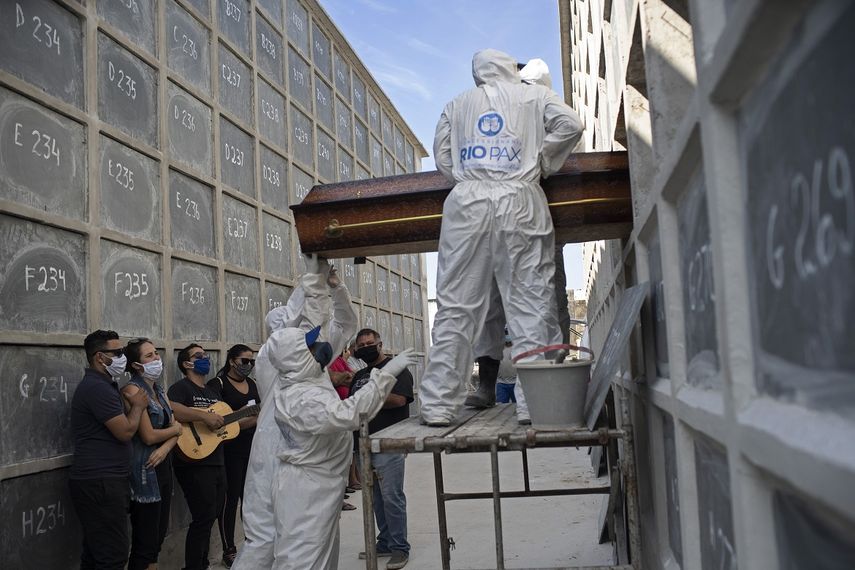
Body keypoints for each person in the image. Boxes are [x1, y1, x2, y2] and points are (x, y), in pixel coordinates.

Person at [419, 49, 583, 426]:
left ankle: (438, 406)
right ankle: (534, 405)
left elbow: (443, 157)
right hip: (520, 198)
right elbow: (571, 125)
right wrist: (540, 160)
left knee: (457, 305)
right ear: (512, 68)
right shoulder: (535, 95)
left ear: (477, 73)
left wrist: (468, 176)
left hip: (467, 203)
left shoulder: (456, 104)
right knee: (530, 303)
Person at [233, 254, 358, 568]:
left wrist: (335, 286)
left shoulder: (310, 357)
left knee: (314, 533)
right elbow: (302, 320)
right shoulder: (274, 356)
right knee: (266, 537)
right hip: (276, 451)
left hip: (301, 451)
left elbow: (346, 324)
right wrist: (313, 274)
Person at [69, 330, 148, 569]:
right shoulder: (97, 388)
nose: (123, 357)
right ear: (100, 357)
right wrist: (138, 407)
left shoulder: (105, 385)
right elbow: (124, 432)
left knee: (97, 554)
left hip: (103, 481)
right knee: (112, 556)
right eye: (118, 352)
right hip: (101, 482)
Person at [350, 329, 414, 570]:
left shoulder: (397, 369)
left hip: (388, 443)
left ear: (380, 344)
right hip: (363, 445)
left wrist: (369, 396)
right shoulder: (360, 374)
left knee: (392, 497)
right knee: (375, 498)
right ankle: (385, 542)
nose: (365, 347)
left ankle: (400, 547)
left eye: (370, 343)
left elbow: (399, 399)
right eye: (361, 345)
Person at [122, 338, 182, 570]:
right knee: (144, 543)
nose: (156, 358)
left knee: (156, 539)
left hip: (163, 466)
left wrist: (166, 447)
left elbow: (178, 429)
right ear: (136, 365)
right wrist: (174, 432)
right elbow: (148, 436)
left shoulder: (159, 389)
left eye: (156, 354)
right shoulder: (132, 391)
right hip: (145, 472)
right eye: (149, 356)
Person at [168, 344, 226, 570]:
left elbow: (223, 424)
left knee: (211, 516)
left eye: (205, 355)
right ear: (187, 364)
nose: (205, 359)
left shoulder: (212, 393)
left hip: (216, 460)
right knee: (203, 517)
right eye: (198, 356)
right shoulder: (180, 388)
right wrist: (203, 416)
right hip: (193, 461)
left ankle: (201, 563)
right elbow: (171, 408)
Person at [209, 344, 261, 568]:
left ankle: (252, 545)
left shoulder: (252, 384)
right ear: (231, 361)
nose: (248, 365)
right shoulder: (218, 384)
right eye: (244, 361)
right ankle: (228, 549)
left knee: (250, 500)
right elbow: (219, 421)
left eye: (252, 362)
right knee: (230, 501)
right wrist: (249, 420)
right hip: (229, 451)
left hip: (252, 448)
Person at [328, 350, 358, 511]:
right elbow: (333, 379)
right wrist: (341, 377)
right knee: (336, 462)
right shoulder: (328, 361)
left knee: (346, 457)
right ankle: (337, 499)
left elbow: (351, 376)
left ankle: (341, 494)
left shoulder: (339, 360)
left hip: (345, 413)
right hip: (337, 414)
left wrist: (345, 377)